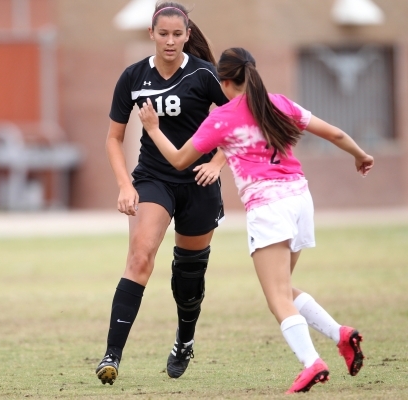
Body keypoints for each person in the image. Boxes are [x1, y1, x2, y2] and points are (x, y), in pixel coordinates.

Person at [138, 47, 371, 393]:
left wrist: (153, 128)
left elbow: (178, 160)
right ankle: (341, 335)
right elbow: (334, 134)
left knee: (276, 298)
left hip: (268, 207)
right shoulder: (278, 103)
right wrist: (360, 154)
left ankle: (312, 363)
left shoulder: (223, 118)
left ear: (225, 81)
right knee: (283, 288)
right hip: (299, 200)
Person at [95, 2, 229, 385]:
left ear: (187, 35)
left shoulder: (205, 75)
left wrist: (217, 164)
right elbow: (113, 139)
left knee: (189, 276)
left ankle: (184, 340)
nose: (170, 41)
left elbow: (239, 124)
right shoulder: (133, 76)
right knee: (140, 257)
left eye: (177, 34)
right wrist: (125, 184)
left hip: (199, 184)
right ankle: (112, 356)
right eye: (163, 34)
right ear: (151, 34)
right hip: (154, 179)